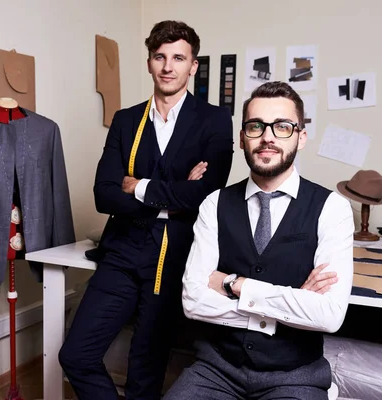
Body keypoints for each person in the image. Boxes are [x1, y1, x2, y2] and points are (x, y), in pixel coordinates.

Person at [58, 20, 234, 400]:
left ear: (193, 66)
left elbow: (208, 194)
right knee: (75, 355)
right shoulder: (126, 120)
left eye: (178, 58)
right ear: (150, 62)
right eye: (160, 57)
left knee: (145, 366)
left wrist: (138, 186)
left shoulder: (215, 120)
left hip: (175, 255)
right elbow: (104, 195)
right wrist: (176, 193)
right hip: (121, 250)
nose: (168, 66)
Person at [165, 81, 354, 400]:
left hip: (296, 377)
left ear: (301, 136)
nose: (267, 136)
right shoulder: (215, 204)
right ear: (242, 138)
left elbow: (328, 315)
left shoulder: (332, 207)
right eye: (256, 126)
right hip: (216, 369)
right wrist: (289, 306)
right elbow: (193, 301)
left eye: (282, 126)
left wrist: (234, 284)